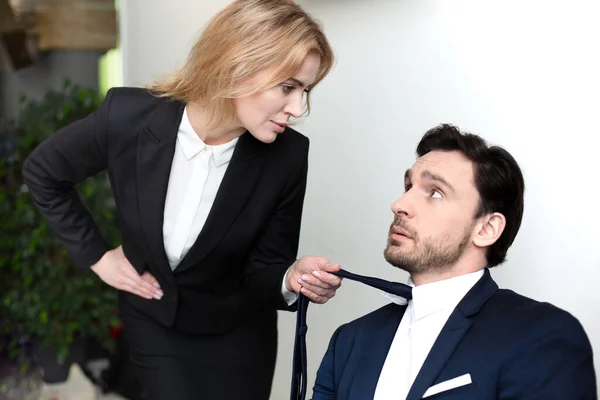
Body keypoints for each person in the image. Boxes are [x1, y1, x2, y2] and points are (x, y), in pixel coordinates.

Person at [22, 1, 343, 399]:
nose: (297, 109)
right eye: (288, 87)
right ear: (237, 65)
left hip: (240, 341)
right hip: (156, 325)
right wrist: (99, 257)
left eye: (305, 91)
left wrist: (289, 277)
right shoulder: (127, 116)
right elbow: (44, 172)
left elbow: (264, 267)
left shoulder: (288, 156)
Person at [312, 124, 597, 399]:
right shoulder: (350, 342)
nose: (399, 204)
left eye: (435, 192)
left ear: (486, 229)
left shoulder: (542, 337)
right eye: (408, 186)